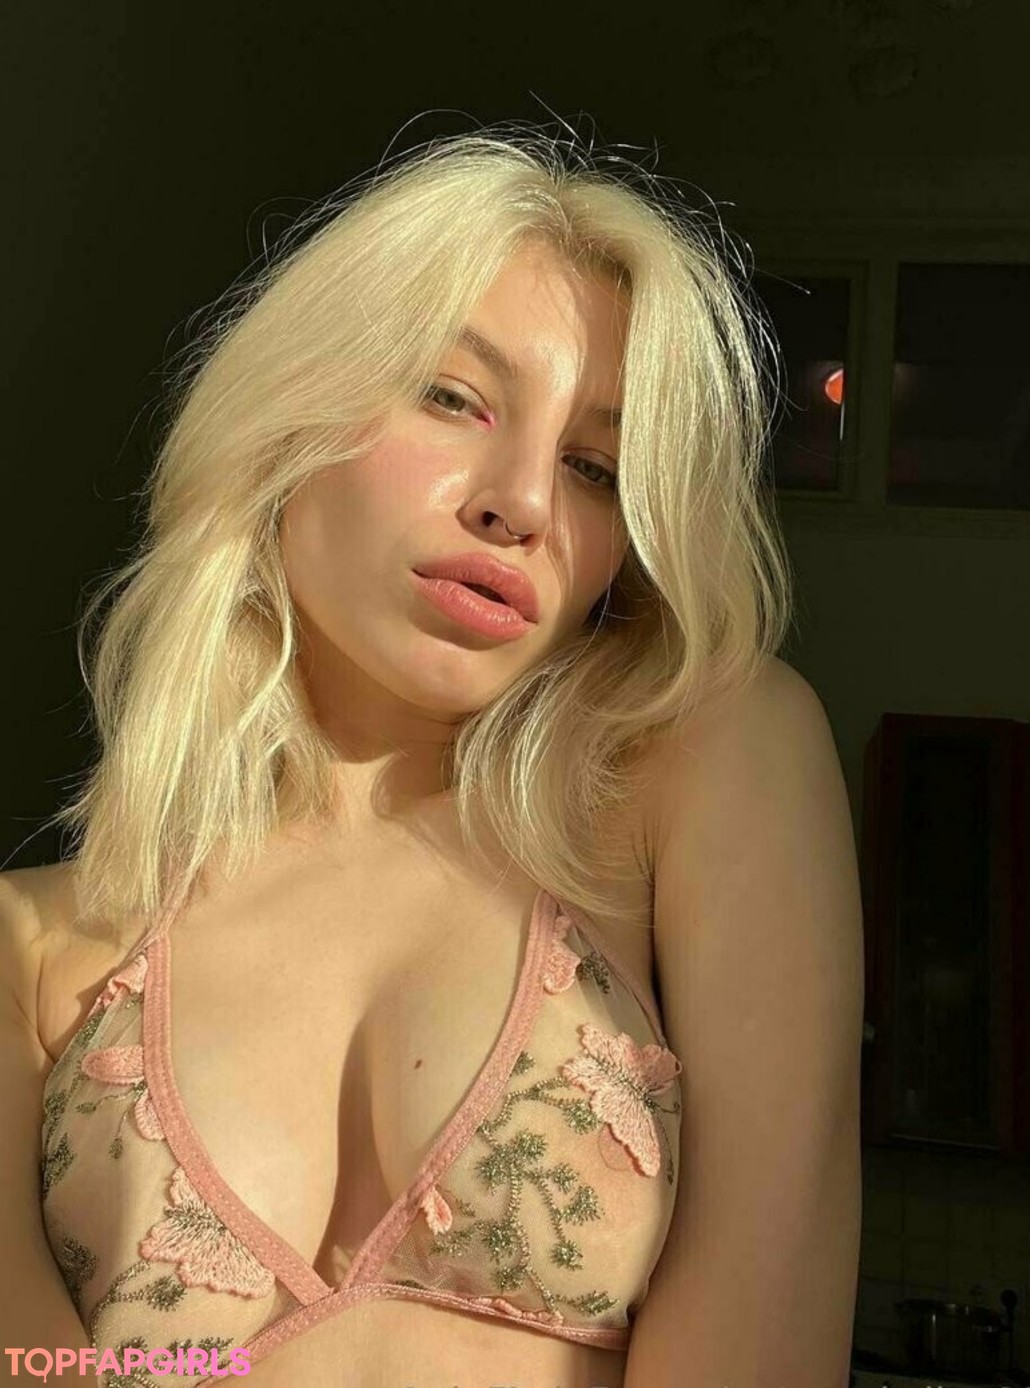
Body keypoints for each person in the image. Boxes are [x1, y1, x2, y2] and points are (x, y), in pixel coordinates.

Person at [1, 123, 865, 1386]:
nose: (523, 501)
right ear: (288, 412)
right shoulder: (35, 951)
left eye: (594, 467)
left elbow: (765, 1325)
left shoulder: (701, 768)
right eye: (454, 397)